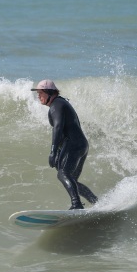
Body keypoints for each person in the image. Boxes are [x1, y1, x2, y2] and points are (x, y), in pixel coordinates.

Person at [31, 79, 98, 210]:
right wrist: (60, 152)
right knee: (72, 180)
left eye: (41, 93)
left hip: (74, 144)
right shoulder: (60, 103)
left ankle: (76, 204)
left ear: (50, 93)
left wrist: (53, 151)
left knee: (63, 174)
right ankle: (95, 201)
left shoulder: (56, 105)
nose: (38, 96)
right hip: (81, 144)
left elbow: (58, 127)